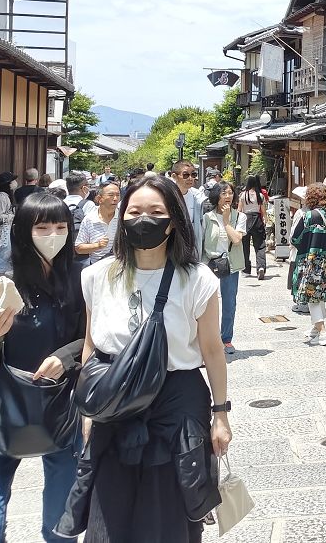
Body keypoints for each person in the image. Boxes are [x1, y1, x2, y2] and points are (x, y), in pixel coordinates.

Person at [76, 174, 229, 540]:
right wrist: (86, 413)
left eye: (156, 211)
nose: (143, 219)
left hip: (175, 408)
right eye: (134, 211)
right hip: (113, 407)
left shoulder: (197, 279)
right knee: (109, 517)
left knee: (167, 518)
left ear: (173, 220)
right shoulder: (97, 276)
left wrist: (221, 414)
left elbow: (211, 349)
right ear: (121, 218)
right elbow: (90, 346)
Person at [0, 192, 85, 543]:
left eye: (61, 226)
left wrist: (65, 357)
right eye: (42, 227)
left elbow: (91, 336)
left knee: (61, 524)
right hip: (5, 402)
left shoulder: (80, 279)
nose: (53, 234)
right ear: (22, 231)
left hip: (61, 404)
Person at [290, 183, 326, 346]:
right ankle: (315, 328)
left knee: (311, 294)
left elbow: (295, 238)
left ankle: (323, 331)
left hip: (310, 260)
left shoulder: (309, 216)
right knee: (319, 293)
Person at [202, 181, 246, 356]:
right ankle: (207, 340)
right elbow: (202, 242)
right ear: (216, 197)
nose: (228, 196)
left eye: (230, 193)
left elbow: (236, 240)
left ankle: (226, 339)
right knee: (206, 304)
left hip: (231, 264)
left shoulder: (239, 217)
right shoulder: (207, 217)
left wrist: (227, 222)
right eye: (223, 193)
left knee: (229, 302)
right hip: (210, 264)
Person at [76, 180, 120, 266]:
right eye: (111, 195)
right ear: (99, 199)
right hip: (97, 269)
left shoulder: (123, 218)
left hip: (120, 268)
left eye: (118, 195)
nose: (115, 199)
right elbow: (79, 248)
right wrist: (97, 246)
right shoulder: (89, 219)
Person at [169, 161, 206, 259]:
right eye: (185, 175)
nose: (190, 178)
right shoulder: (166, 196)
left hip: (190, 247)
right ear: (174, 176)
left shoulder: (198, 197)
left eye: (193, 174)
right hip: (170, 246)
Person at [237, 175, 268, 280]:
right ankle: (261, 267)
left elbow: (239, 210)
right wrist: (265, 220)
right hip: (257, 220)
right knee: (260, 245)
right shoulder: (260, 195)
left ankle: (246, 269)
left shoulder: (243, 195)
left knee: (245, 246)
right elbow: (263, 211)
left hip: (245, 219)